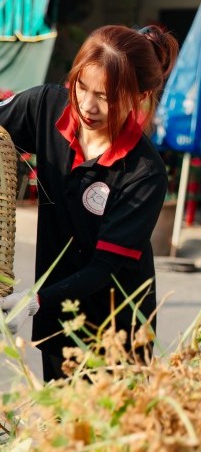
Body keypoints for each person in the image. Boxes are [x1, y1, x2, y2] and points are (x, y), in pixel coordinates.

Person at [0, 24, 179, 381]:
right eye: (81, 87)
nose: (87, 105)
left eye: (107, 96)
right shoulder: (46, 107)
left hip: (116, 332)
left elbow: (105, 267)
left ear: (138, 95)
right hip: (57, 322)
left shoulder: (144, 172)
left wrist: (36, 300)